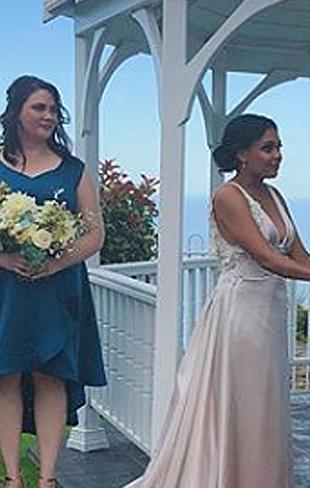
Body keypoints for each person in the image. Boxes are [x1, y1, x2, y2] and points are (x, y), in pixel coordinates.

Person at [125, 114, 310, 488]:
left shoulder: (275, 195)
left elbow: (297, 252)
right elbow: (266, 256)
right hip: (240, 313)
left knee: (265, 403)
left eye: (279, 147)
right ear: (241, 154)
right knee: (242, 401)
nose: (278, 155)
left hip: (271, 310)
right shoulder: (228, 196)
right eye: (268, 147)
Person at [0, 76, 106, 488]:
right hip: (5, 289)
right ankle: (12, 478)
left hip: (56, 289)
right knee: (5, 376)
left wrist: (54, 265)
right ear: (16, 112)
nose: (47, 116)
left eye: (51, 109)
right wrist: (5, 258)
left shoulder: (73, 170)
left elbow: (95, 233)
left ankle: (46, 478)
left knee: (52, 375)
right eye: (38, 107)